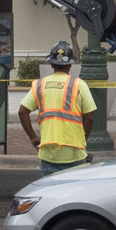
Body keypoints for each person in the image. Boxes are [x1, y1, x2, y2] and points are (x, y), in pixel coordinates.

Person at [19, 41, 97, 176]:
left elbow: (22, 111)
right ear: (70, 64)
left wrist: (33, 137)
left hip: (49, 155)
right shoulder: (79, 85)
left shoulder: (39, 85)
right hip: (75, 153)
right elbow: (89, 117)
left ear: (51, 64)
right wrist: (83, 137)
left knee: (49, 194)